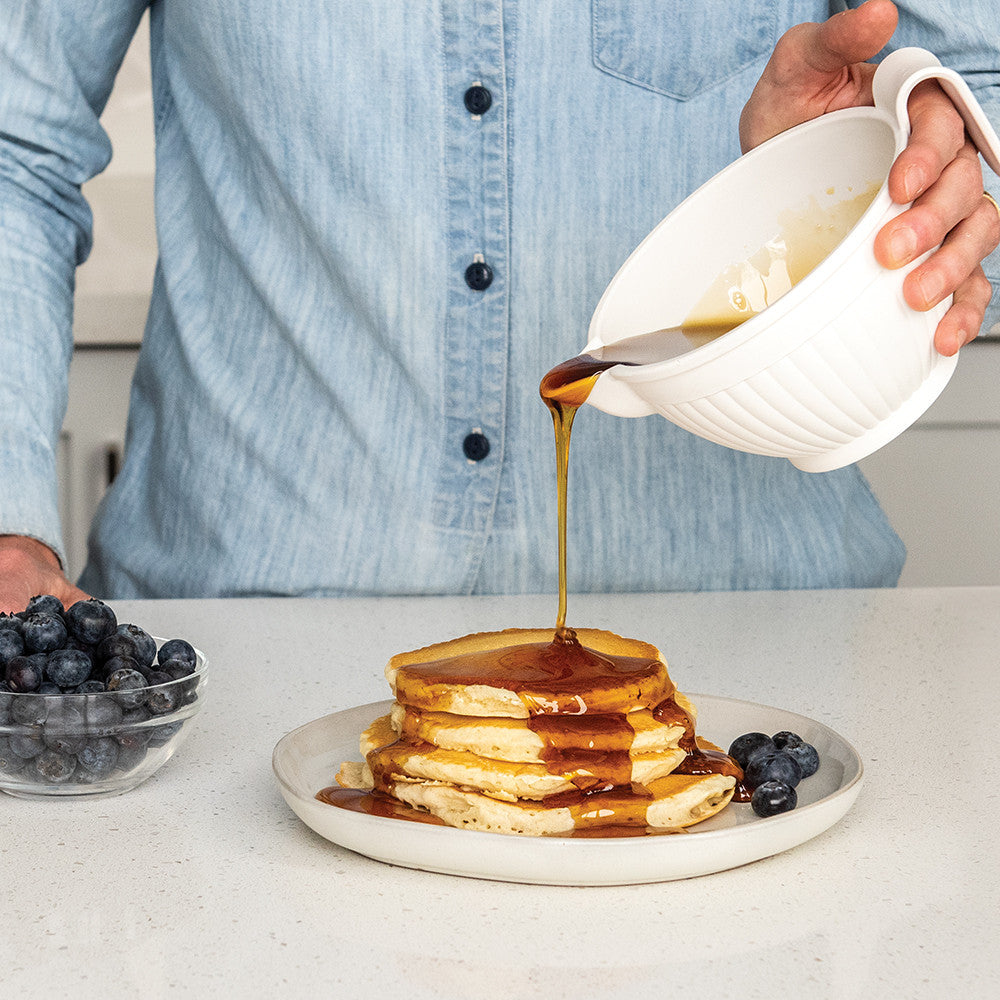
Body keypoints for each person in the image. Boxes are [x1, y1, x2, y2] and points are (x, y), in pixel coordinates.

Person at [1, 0, 998, 613]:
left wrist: (861, 172)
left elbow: (973, 100)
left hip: (754, 663)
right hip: (239, 645)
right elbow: (15, 146)